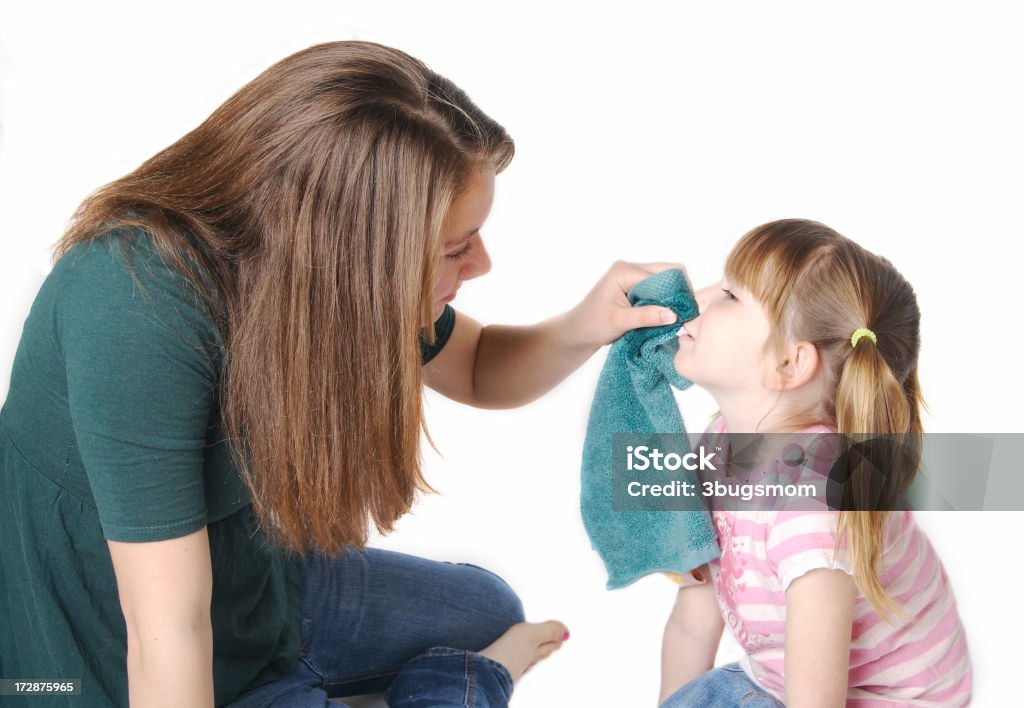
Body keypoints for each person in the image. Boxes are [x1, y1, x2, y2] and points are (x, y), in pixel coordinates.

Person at [0, 41, 681, 707]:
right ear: (352, 247)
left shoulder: (314, 281)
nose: (481, 265)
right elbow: (167, 631)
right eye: (453, 248)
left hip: (255, 591)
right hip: (116, 651)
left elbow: (474, 367)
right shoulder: (132, 304)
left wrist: (590, 325)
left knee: (489, 609)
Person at [658, 219, 972, 707]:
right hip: (787, 677)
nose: (696, 297)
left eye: (729, 296)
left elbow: (817, 700)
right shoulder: (719, 446)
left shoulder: (813, 503)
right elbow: (693, 619)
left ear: (788, 364)